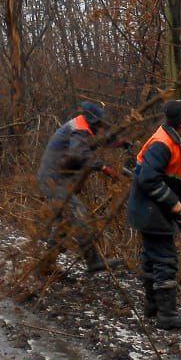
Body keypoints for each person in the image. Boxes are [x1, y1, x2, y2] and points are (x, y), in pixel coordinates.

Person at [127, 99, 181, 330]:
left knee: (151, 256)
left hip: (156, 206)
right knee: (165, 259)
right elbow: (148, 179)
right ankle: (167, 315)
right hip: (149, 207)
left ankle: (152, 306)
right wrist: (176, 206)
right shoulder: (162, 144)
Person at [37, 101, 123, 273]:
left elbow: (91, 143)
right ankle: (93, 261)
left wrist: (117, 142)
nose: (100, 127)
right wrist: (104, 168)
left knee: (67, 221)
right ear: (93, 121)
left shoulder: (78, 126)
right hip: (54, 181)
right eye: (99, 124)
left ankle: (46, 265)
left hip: (52, 179)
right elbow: (79, 154)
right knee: (79, 214)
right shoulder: (79, 130)